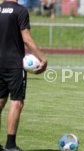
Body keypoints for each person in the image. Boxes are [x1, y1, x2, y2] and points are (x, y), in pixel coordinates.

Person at [0, 0, 47, 150]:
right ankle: (10, 144)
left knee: (0, 101)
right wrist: (42, 58)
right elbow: (26, 37)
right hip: (14, 64)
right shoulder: (20, 11)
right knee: (17, 101)